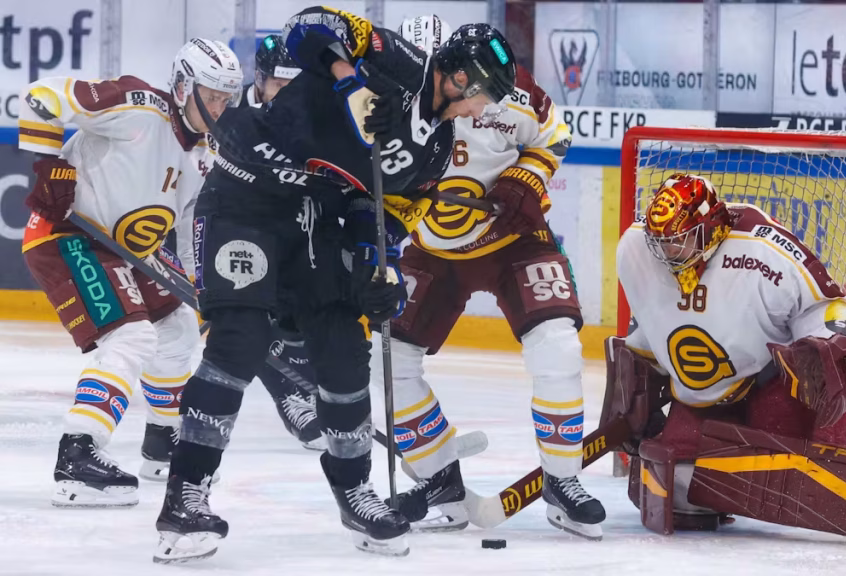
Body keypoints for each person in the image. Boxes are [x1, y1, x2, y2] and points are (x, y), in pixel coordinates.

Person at [152, 7, 517, 563]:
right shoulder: (397, 60)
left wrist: (377, 263)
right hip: (247, 194)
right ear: (461, 77)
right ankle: (186, 495)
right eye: (484, 94)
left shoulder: (440, 146)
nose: (483, 109)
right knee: (239, 341)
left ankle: (355, 493)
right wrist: (352, 81)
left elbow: (395, 208)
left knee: (343, 342)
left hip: (316, 214)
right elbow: (308, 26)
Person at [603, 173, 846, 551]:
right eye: (662, 243)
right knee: (660, 485)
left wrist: (828, 347)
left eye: (680, 241)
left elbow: (830, 304)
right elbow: (652, 319)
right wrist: (634, 385)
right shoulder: (637, 249)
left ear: (711, 228)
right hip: (699, 403)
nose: (667, 253)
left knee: (794, 476)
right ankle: (734, 482)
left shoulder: (764, 248)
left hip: (768, 391)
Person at [368, 14, 605, 540]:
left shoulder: (516, 91)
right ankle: (439, 484)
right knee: (385, 362)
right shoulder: (386, 97)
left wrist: (524, 178)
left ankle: (564, 482)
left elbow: (553, 137)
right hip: (431, 246)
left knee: (558, 347)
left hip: (511, 239)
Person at [18, 39, 242, 507]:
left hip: (133, 251)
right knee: (131, 338)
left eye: (227, 98)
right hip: (68, 236)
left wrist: (200, 287)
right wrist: (46, 165)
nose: (221, 107)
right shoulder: (138, 107)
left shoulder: (206, 152)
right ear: (183, 87)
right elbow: (40, 95)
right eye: (213, 95)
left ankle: (162, 444)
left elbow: (184, 225)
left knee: (178, 327)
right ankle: (78, 454)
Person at [236, 33, 325, 450]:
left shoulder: (313, 113)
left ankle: (313, 390)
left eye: (295, 86)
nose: (286, 95)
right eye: (278, 85)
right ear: (259, 78)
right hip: (232, 226)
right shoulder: (228, 110)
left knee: (305, 309)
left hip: (294, 224)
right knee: (246, 314)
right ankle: (290, 395)